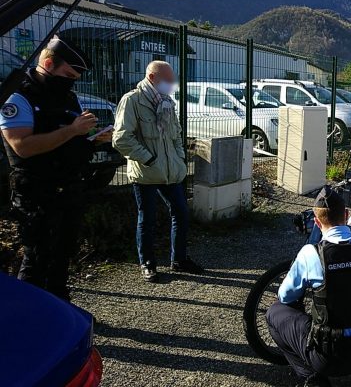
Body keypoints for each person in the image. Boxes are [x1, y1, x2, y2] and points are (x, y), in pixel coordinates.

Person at [0, 35, 111, 301]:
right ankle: (27, 316)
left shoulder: (69, 98)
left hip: (68, 188)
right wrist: (73, 130)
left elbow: (70, 141)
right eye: (68, 74)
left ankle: (61, 309)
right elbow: (22, 146)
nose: (72, 80)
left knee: (64, 253)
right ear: (48, 63)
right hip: (37, 192)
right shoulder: (17, 97)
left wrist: (92, 140)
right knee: (37, 257)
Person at [267, 187, 351, 387]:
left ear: (317, 223)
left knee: (275, 312)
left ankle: (312, 376)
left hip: (330, 356)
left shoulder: (311, 254)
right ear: (346, 215)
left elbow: (285, 296)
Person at [112, 61, 203, 282]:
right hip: (146, 173)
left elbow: (175, 135)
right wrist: (149, 158)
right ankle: (148, 263)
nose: (172, 85)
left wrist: (179, 158)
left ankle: (179, 260)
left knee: (181, 213)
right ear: (152, 78)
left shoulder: (167, 102)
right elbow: (121, 139)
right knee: (147, 219)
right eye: (168, 81)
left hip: (171, 171)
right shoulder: (132, 100)